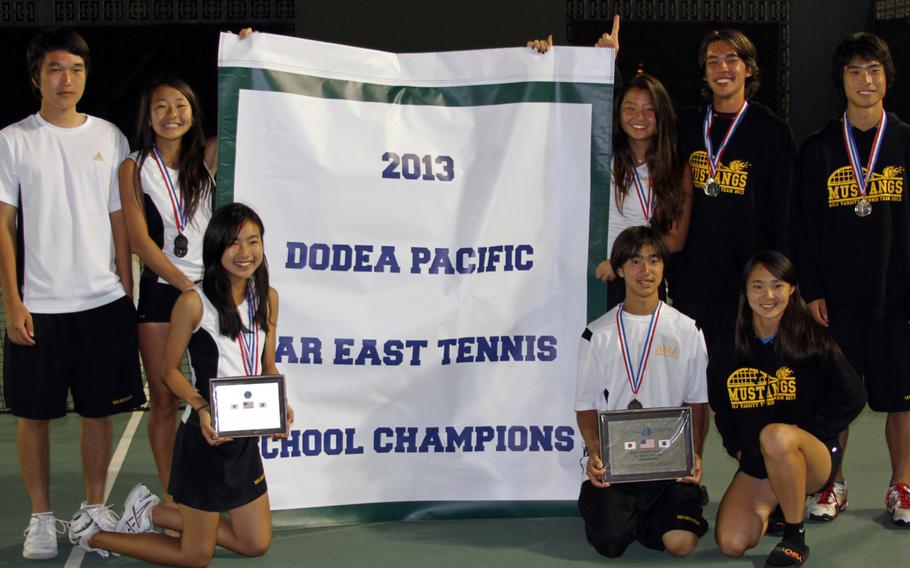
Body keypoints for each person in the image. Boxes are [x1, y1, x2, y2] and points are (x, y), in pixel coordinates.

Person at [68, 203, 294, 565]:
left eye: (253, 241)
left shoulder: (268, 299)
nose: (245, 253)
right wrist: (203, 408)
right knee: (195, 556)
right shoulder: (193, 302)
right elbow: (168, 371)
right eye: (233, 243)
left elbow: (266, 364)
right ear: (216, 247)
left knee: (255, 543)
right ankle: (93, 534)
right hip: (204, 439)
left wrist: (279, 404)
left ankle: (151, 512)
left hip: (244, 438)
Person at [0, 28, 145, 560]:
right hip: (39, 305)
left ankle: (92, 509)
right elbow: (4, 225)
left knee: (96, 413)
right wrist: (14, 301)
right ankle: (40, 518)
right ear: (37, 76)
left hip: (102, 301)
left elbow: (119, 218)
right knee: (32, 416)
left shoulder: (110, 137)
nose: (67, 79)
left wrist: (126, 291)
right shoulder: (13, 139)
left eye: (76, 70)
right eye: (56, 69)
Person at [798, 31, 910, 526]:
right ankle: (831, 483)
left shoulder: (907, 141)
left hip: (898, 295)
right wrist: (812, 289)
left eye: (874, 71)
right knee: (835, 397)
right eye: (855, 71)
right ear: (840, 80)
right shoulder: (820, 147)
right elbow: (803, 226)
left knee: (900, 398)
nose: (865, 81)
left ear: (887, 78)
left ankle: (901, 485)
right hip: (836, 301)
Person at [709, 251, 866, 567]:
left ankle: (795, 535)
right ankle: (778, 505)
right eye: (757, 286)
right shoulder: (729, 345)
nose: (768, 296)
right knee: (732, 542)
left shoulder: (812, 339)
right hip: (760, 461)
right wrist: (738, 449)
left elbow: (853, 395)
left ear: (792, 289)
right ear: (745, 291)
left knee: (777, 437)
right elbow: (722, 408)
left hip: (810, 459)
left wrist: (815, 434)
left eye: (777, 286)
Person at [575, 225, 709, 558]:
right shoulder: (596, 335)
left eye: (653, 260)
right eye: (635, 261)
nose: (645, 271)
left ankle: (664, 513)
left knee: (681, 544)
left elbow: (696, 402)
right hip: (617, 465)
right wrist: (594, 452)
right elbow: (586, 406)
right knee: (610, 543)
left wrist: (693, 453)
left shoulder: (687, 330)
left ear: (664, 267)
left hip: (669, 464)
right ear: (619, 268)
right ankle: (634, 516)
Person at [669, 29, 797, 356]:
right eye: (713, 61)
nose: (721, 68)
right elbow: (629, 127)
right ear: (704, 72)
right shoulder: (685, 125)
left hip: (749, 281)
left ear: (749, 69)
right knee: (693, 379)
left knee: (744, 380)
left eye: (731, 60)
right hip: (692, 281)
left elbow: (784, 210)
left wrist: (779, 277)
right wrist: (605, 62)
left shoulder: (771, 131)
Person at [119, 76, 216, 501]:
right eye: (161, 106)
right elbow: (139, 241)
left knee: (216, 396)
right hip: (162, 293)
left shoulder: (210, 157)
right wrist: (185, 287)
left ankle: (217, 488)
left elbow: (253, 117)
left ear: (193, 113)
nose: (171, 114)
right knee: (163, 398)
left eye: (180, 105)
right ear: (148, 116)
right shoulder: (133, 167)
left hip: (211, 295)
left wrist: (252, 53)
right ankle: (175, 498)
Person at [593, 74, 692, 309]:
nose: (639, 117)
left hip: (644, 278)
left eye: (649, 110)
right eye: (630, 108)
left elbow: (676, 240)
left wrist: (623, 261)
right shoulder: (600, 155)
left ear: (662, 115)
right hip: (596, 276)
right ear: (618, 113)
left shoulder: (676, 167)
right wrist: (542, 58)